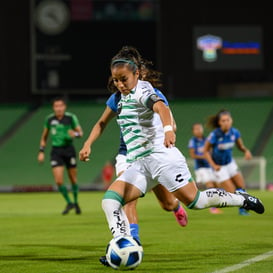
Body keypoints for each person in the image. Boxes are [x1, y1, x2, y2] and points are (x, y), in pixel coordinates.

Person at [79, 46, 264, 255]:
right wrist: (87, 144)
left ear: (136, 74)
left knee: (196, 201)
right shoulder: (118, 99)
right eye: (116, 80)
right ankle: (124, 245)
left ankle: (242, 199)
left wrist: (168, 129)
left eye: (124, 79)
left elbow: (161, 107)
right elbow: (101, 123)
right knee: (110, 200)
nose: (120, 85)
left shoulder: (143, 91)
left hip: (162, 158)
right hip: (139, 163)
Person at [38, 96, 83, 215]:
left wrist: (75, 134)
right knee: (58, 181)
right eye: (56, 106)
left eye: (61, 106)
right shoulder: (49, 119)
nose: (58, 108)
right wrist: (41, 151)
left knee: (73, 179)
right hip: (56, 151)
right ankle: (69, 202)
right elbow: (44, 137)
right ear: (53, 107)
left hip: (69, 150)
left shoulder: (70, 118)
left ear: (64, 107)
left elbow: (80, 133)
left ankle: (76, 202)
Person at [203, 109, 253, 216]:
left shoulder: (235, 132)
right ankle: (215, 198)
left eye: (228, 120)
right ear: (219, 123)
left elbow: (240, 146)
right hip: (219, 167)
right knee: (231, 191)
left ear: (231, 120)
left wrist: (246, 151)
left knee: (241, 186)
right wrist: (213, 165)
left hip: (230, 163)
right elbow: (205, 151)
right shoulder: (215, 135)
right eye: (223, 121)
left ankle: (242, 210)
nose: (226, 122)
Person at [188, 123, 223, 214]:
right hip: (201, 168)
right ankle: (212, 208)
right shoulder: (193, 141)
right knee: (210, 184)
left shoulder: (206, 140)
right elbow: (192, 155)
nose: (198, 130)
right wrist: (204, 157)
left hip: (209, 167)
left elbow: (210, 152)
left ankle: (216, 204)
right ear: (193, 131)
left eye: (200, 128)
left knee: (217, 185)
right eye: (196, 129)